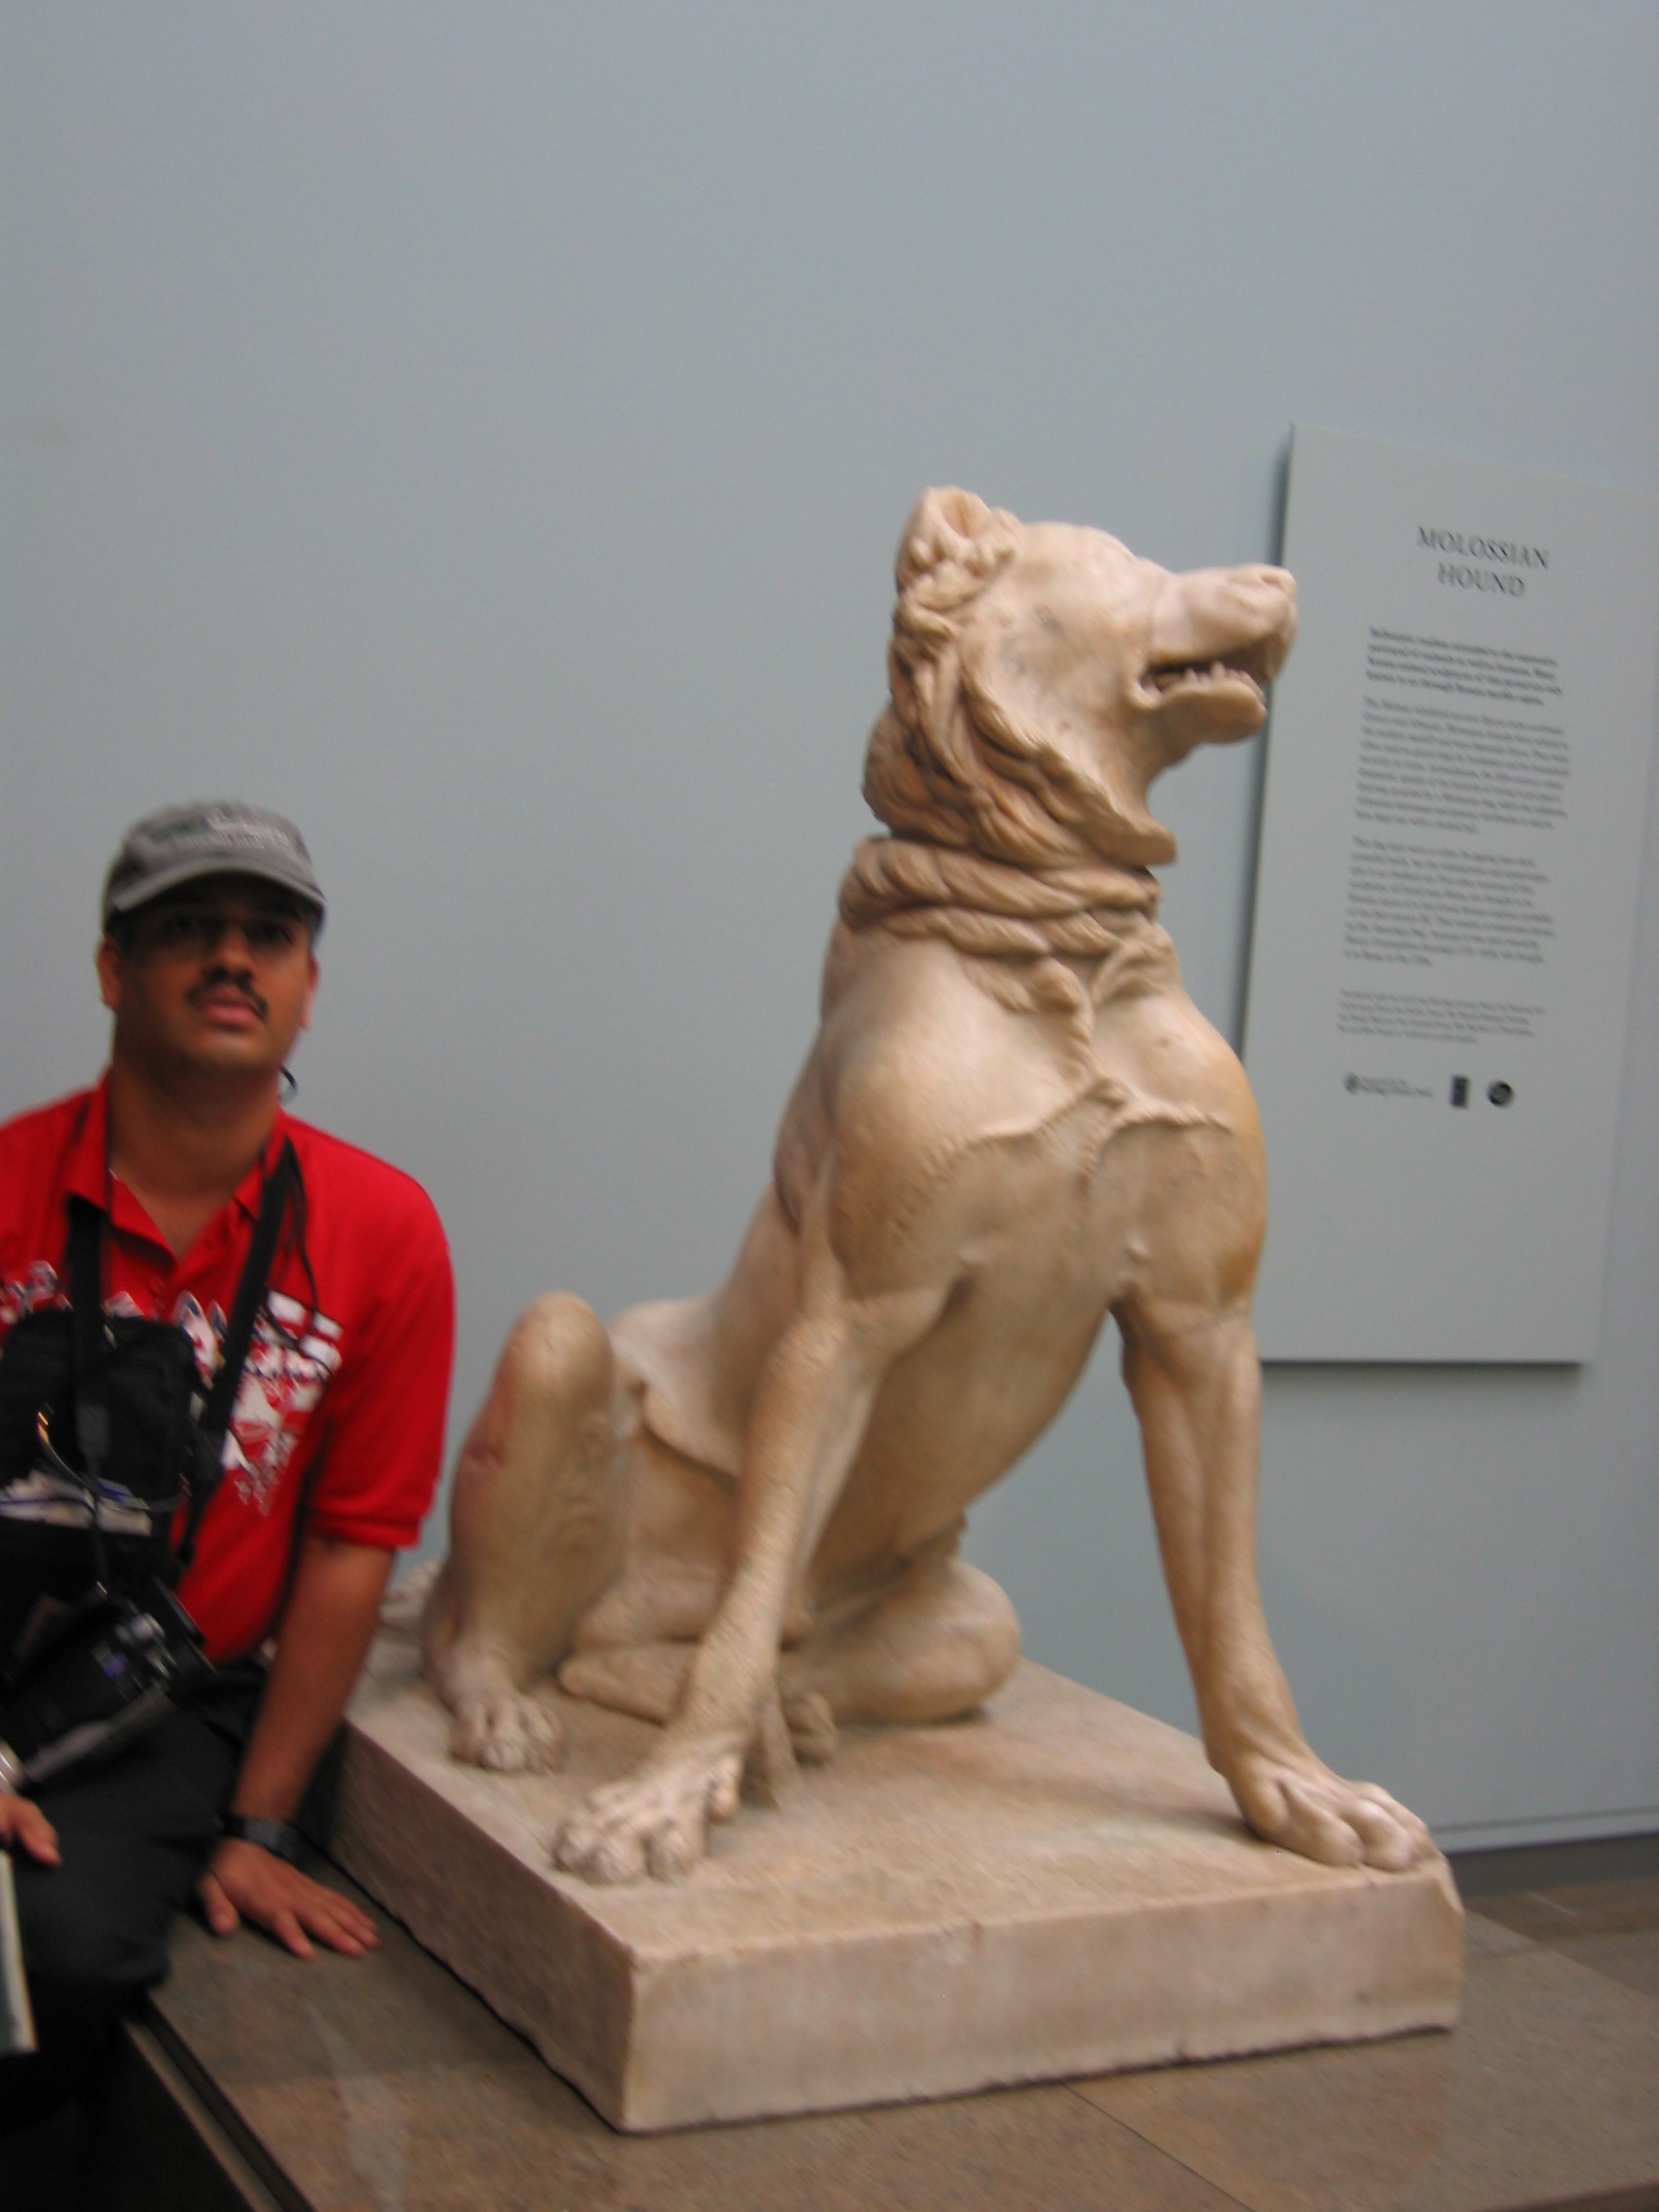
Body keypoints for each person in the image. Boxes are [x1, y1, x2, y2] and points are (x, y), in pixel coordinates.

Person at [0, 801, 455, 2176]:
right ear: (112, 971)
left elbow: (353, 1544)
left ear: (308, 985)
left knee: (58, 1948)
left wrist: (260, 1824)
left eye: (269, 935)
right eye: (188, 928)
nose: (233, 959)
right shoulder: (10, 1181)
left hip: (164, 1696)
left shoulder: (383, 1232)